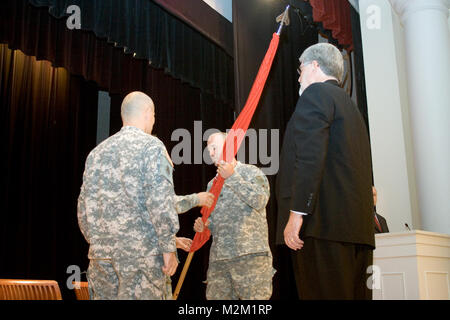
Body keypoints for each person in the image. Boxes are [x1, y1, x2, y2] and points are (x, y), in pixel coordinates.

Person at [275, 43, 375, 300]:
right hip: (356, 231)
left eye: (300, 70)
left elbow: (310, 157)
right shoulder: (351, 107)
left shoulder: (316, 94)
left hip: (322, 228)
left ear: (314, 66)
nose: (299, 77)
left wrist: (296, 214)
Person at [77, 91, 179, 300]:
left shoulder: (96, 153)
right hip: (140, 259)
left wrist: (99, 241)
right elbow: (160, 201)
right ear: (148, 113)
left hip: (101, 258)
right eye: (153, 115)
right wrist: (168, 246)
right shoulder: (152, 146)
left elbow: (83, 209)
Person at [192, 132, 275, 300]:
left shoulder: (251, 172)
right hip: (220, 261)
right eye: (209, 151)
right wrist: (205, 225)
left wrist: (232, 177)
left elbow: (260, 200)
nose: (211, 154)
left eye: (214, 148)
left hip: (249, 258)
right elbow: (214, 221)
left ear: (229, 147)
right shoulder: (212, 185)